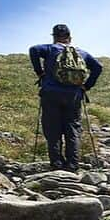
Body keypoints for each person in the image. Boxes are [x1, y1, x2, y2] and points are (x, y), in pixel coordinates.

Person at [29, 24, 103, 171]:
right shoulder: (81, 53)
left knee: (52, 128)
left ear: (54, 37)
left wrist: (40, 72)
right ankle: (72, 164)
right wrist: (86, 86)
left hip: (50, 93)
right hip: (74, 96)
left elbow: (33, 50)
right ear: (69, 38)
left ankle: (56, 164)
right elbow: (98, 67)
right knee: (73, 128)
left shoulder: (50, 49)